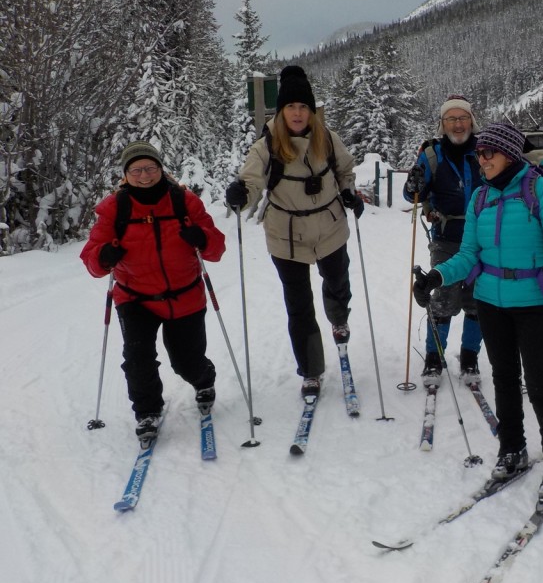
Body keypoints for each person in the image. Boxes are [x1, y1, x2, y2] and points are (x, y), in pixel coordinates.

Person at [413, 121, 543, 500]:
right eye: (478, 154)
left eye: (487, 153)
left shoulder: (541, 190)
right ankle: (512, 450)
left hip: (535, 303)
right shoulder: (480, 198)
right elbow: (468, 254)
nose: (481, 159)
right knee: (505, 380)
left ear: (508, 154)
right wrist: (437, 276)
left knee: (540, 383)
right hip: (491, 302)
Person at [224, 65, 363, 398]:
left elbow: (344, 169)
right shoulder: (267, 144)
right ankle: (311, 370)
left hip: (329, 227)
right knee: (299, 306)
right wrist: (241, 194)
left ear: (310, 110)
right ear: (282, 110)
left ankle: (338, 317)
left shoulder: (326, 137)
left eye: (303, 107)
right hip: (286, 235)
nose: (298, 113)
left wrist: (348, 191)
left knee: (338, 282)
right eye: (291, 106)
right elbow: (252, 179)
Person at [81, 142, 226, 443]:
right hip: (135, 297)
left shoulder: (184, 202)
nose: (144, 175)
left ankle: (203, 378)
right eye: (137, 170)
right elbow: (92, 258)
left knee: (186, 362)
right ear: (126, 174)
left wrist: (201, 237)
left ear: (161, 169)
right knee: (137, 357)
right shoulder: (114, 208)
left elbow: (216, 247)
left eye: (150, 168)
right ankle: (147, 411)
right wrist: (104, 256)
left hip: (184, 294)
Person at [403, 95, 484, 385]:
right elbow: (413, 194)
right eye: (451, 119)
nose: (458, 124)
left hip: (484, 238)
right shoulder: (432, 154)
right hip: (446, 237)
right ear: (443, 123)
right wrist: (414, 185)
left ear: (471, 121)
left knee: (478, 299)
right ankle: (434, 357)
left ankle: (470, 356)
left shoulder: (486, 149)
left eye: (463, 118)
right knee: (443, 300)